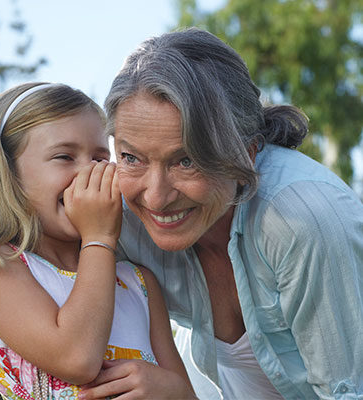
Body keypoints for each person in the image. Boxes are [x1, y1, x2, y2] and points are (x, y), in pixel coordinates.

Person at [80, 28, 363, 400]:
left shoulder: (304, 221)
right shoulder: (114, 213)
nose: (156, 197)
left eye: (187, 160)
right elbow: (7, 258)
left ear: (247, 152)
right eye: (132, 157)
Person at [0, 82, 195, 399]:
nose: (88, 172)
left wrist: (176, 391)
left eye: (101, 158)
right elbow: (77, 358)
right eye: (64, 156)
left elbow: (185, 393)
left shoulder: (139, 283)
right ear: (9, 175)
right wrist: (99, 238)